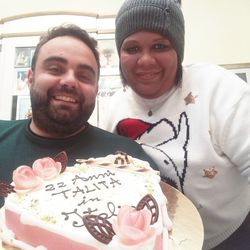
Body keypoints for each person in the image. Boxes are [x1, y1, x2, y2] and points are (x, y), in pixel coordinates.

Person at [103, 0, 250, 249]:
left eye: (160, 46)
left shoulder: (220, 89)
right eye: (132, 48)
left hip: (229, 236)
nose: (145, 60)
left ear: (178, 50)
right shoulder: (114, 106)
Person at [0, 24, 159, 208]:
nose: (69, 81)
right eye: (55, 69)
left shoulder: (131, 160)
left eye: (84, 76)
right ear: (30, 78)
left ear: (96, 90)